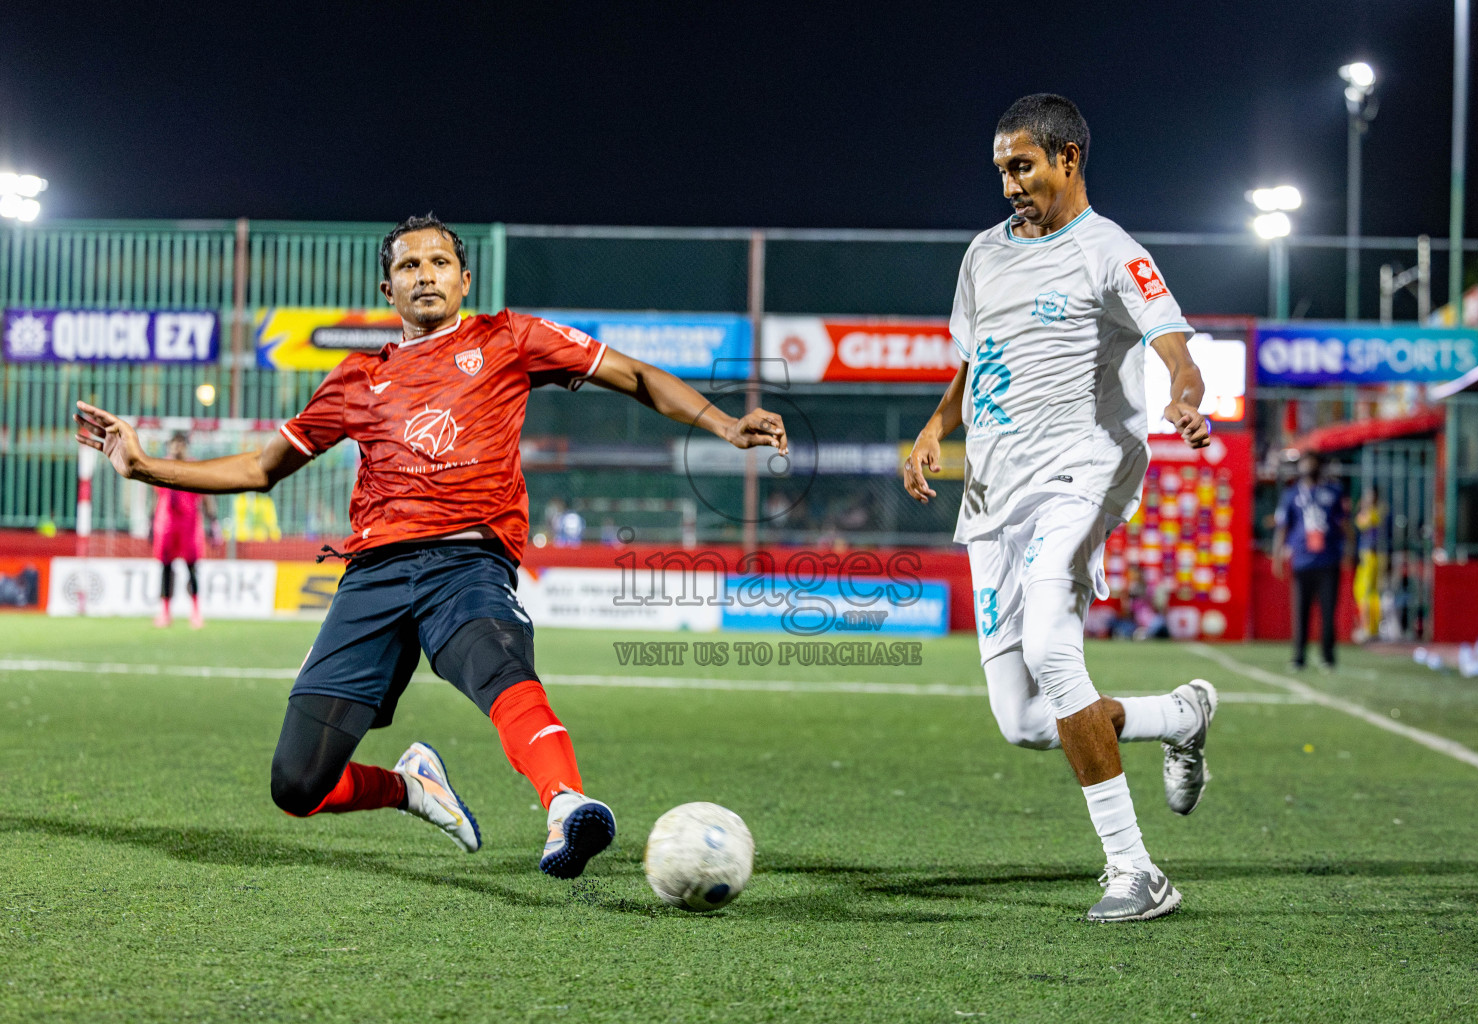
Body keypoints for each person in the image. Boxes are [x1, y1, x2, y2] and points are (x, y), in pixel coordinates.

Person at [75, 214, 788, 878]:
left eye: (440, 261)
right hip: (373, 576)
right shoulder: (356, 378)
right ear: (387, 289)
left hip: (467, 560)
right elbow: (261, 469)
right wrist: (143, 467)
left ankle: (566, 805)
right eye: (409, 264)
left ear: (464, 280)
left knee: (497, 665)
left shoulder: (510, 338)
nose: (426, 273)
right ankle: (410, 787)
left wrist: (721, 425)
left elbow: (632, 375)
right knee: (297, 785)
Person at [904, 94, 1217, 923]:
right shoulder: (982, 255)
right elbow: (977, 363)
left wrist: (1186, 399)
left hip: (1081, 478)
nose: (1010, 183)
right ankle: (1180, 714)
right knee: (1025, 721)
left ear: (1068, 159)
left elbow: (1175, 349)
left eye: (1024, 166)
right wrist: (937, 426)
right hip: (991, 497)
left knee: (1052, 644)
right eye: (1002, 169)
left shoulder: (1110, 251)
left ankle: (1136, 869)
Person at [1271, 451, 1351, 671]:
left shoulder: (1333, 492)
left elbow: (1344, 525)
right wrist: (1277, 556)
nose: (1308, 467)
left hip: (1328, 560)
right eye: (1305, 463)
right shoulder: (1292, 494)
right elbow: (1283, 527)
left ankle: (1328, 657)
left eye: (1312, 462)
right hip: (1302, 561)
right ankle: (1299, 657)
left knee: (1328, 612)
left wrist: (1348, 552)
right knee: (1301, 613)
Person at [151, 432, 219, 628]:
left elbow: (206, 497)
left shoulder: (194, 468)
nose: (177, 447)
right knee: (165, 568)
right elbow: (155, 495)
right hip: (166, 524)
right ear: (169, 446)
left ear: (187, 446)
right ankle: (165, 612)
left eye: (181, 443)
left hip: (189, 524)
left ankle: (196, 611)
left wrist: (213, 522)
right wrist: (150, 521)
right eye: (174, 443)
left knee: (192, 568)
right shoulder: (162, 467)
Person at [1352, 486, 1383, 643]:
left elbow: (1361, 521)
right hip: (1371, 555)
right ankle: (1372, 628)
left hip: (1369, 555)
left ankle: (1368, 628)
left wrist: (1362, 507)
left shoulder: (1373, 512)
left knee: (1364, 593)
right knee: (1370, 593)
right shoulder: (1378, 511)